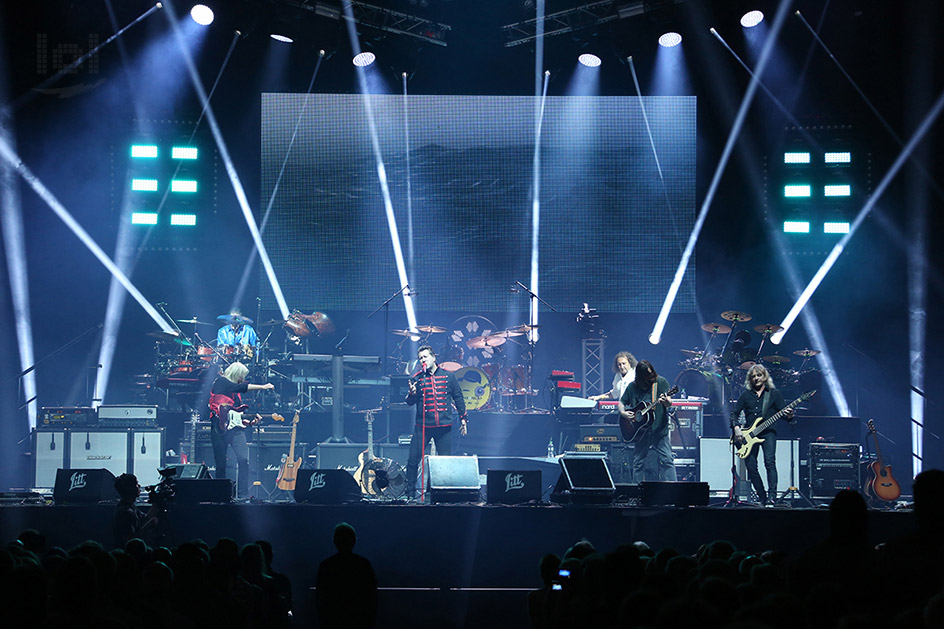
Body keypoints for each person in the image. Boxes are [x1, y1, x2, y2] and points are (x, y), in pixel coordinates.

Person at [405, 345, 468, 499]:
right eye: (420, 358)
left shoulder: (448, 376)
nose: (422, 360)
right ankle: (409, 494)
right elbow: (410, 402)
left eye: (425, 357)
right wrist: (412, 394)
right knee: (413, 461)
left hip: (444, 428)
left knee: (444, 463)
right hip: (423, 427)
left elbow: (458, 397)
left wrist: (463, 418)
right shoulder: (417, 378)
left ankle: (438, 494)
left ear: (434, 357)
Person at [208, 361, 274, 498]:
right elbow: (241, 387)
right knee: (220, 463)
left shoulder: (236, 395)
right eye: (241, 376)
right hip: (219, 428)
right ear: (236, 374)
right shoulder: (220, 382)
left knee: (243, 460)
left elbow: (236, 415)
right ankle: (221, 496)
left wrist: (250, 422)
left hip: (236, 430)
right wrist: (263, 387)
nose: (242, 380)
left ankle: (243, 495)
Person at [730, 364, 794, 505]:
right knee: (751, 467)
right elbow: (734, 413)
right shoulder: (746, 395)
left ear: (765, 376)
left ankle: (772, 496)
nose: (756, 378)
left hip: (768, 433)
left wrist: (789, 415)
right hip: (750, 435)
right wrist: (736, 428)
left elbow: (783, 413)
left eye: (759, 375)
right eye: (753, 376)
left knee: (769, 462)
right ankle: (762, 497)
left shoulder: (774, 394)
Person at [618, 360, 676, 482]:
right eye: (647, 375)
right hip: (641, 432)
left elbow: (669, 403)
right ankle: (636, 493)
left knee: (667, 460)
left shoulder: (660, 382)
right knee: (638, 463)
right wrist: (623, 413)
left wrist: (665, 400)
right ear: (640, 376)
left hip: (659, 430)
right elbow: (622, 402)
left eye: (651, 373)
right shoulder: (633, 387)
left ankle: (673, 491)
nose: (651, 377)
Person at [315, 522, 377, 629]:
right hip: (359, 621)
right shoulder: (363, 564)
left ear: (334, 541)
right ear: (354, 541)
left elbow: (321, 599)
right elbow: (372, 596)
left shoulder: (326, 566)